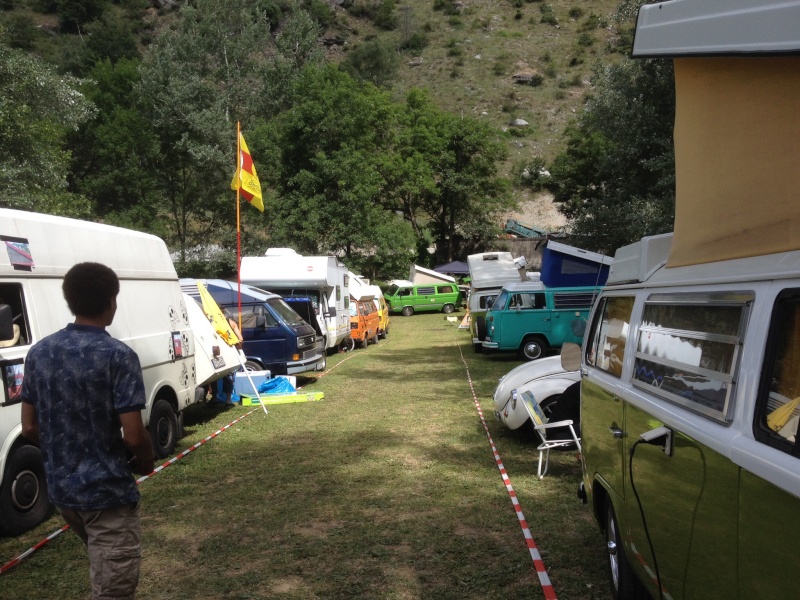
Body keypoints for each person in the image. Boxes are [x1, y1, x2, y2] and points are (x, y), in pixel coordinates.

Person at [20, 262, 154, 600]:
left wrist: (66, 453)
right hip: (107, 497)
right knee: (112, 590)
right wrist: (145, 459)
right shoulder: (118, 356)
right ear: (111, 301)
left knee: (104, 571)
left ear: (70, 301)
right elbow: (135, 436)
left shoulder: (39, 354)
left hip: (65, 495)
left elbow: (29, 427)